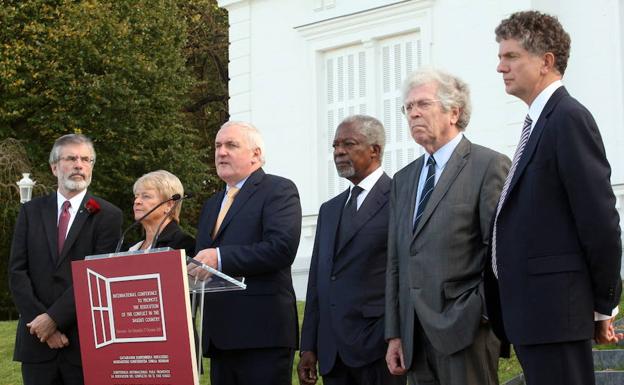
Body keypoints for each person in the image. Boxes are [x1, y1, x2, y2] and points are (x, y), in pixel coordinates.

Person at [485, 11, 623, 385]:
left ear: (546, 61)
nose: (500, 67)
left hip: (555, 314)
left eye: (511, 56)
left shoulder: (567, 118)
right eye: (500, 57)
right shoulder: (538, 122)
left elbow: (601, 222)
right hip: (534, 313)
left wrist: (602, 304)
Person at [384, 68, 511, 385]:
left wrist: (480, 312)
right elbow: (397, 261)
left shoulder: (488, 166)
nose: (413, 113)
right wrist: (395, 334)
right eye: (408, 107)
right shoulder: (404, 179)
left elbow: (500, 250)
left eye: (422, 104)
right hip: (414, 336)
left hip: (466, 331)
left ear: (454, 111)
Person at [189, 121, 302, 385]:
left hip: (261, 335)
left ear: (256, 154)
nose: (221, 152)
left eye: (231, 145)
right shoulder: (212, 204)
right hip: (220, 337)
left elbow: (281, 249)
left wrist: (219, 258)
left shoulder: (278, 190)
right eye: (218, 146)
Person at [298, 115, 405, 385]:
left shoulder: (400, 198)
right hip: (333, 354)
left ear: (375, 150)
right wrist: (309, 346)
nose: (338, 152)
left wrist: (398, 335)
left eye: (348, 144)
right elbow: (317, 283)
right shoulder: (329, 210)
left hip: (378, 350)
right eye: (335, 145)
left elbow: (405, 276)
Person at [9, 134, 123, 385]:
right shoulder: (30, 212)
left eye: (86, 159)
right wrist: (42, 326)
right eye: (71, 158)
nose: (79, 165)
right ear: (54, 167)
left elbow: (98, 276)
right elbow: (17, 273)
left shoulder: (108, 216)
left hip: (82, 344)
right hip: (36, 344)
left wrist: (54, 320)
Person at [128, 170, 195, 258]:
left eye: (146, 196)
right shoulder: (133, 248)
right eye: (136, 196)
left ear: (169, 205)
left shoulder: (183, 245)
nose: (137, 201)